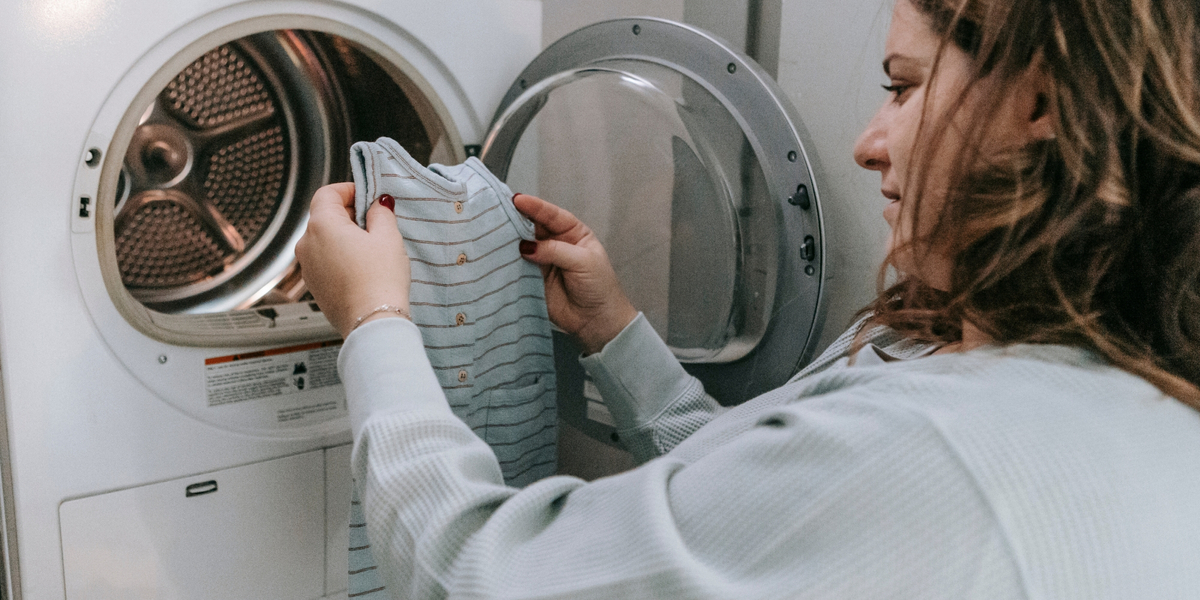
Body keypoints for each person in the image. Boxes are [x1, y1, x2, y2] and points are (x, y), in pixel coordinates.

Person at [294, 0, 1200, 597]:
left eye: (905, 86)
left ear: (1039, 97)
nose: (867, 143)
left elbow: (476, 574)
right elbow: (761, 512)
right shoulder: (1096, 385)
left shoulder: (943, 449)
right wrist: (616, 333)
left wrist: (377, 322)